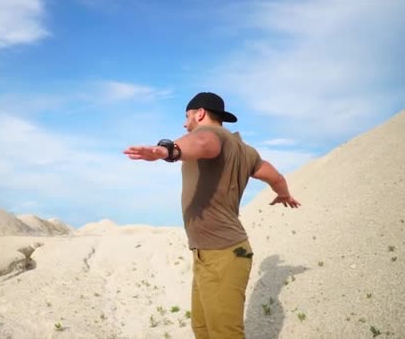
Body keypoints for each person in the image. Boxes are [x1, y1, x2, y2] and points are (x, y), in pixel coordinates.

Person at [123, 92, 301, 339]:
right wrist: (283, 194)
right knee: (203, 329)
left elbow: (202, 143)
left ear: (200, 113)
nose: (185, 124)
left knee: (224, 334)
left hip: (222, 254)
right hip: (211, 254)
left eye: (187, 117)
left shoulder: (211, 136)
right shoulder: (245, 150)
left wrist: (168, 150)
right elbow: (275, 176)